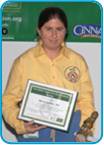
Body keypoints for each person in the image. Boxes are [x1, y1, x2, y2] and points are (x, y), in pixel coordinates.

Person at [2, 7, 95, 142]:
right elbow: (8, 101)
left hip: (71, 131)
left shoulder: (77, 61)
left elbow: (86, 101)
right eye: (48, 29)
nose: (54, 35)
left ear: (66, 31)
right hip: (34, 131)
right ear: (39, 31)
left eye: (59, 29)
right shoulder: (23, 62)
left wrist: (83, 131)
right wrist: (20, 124)